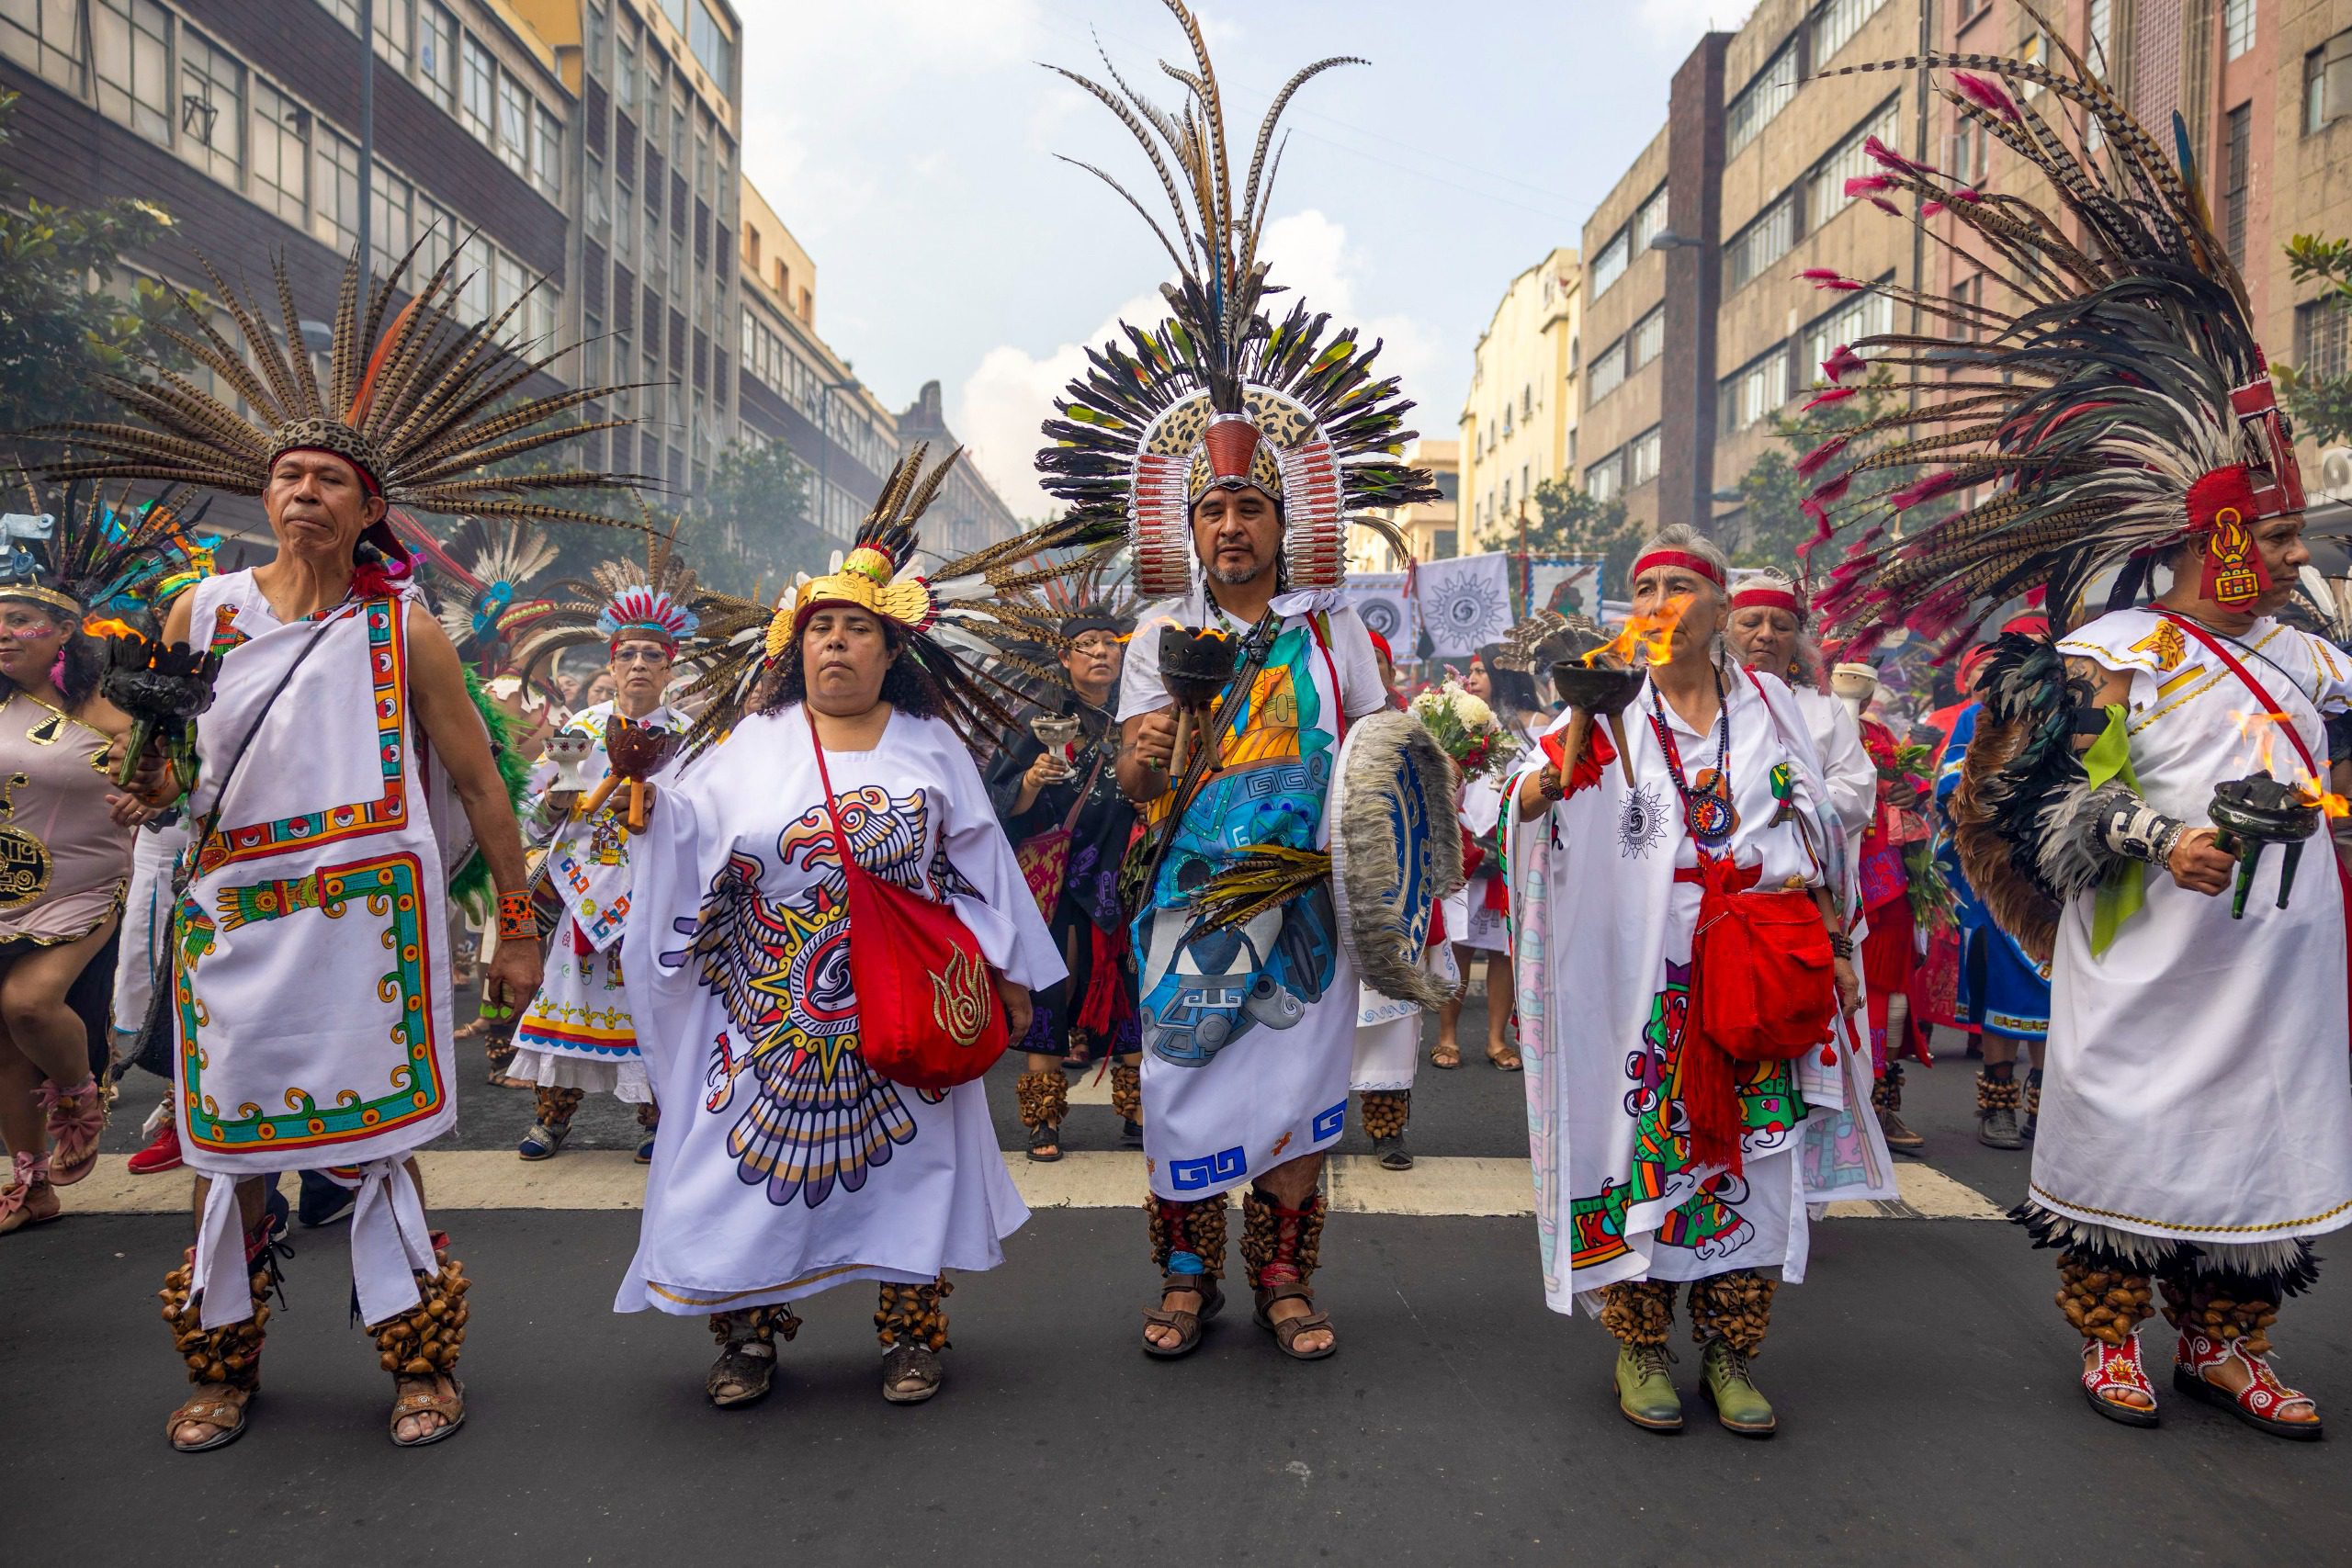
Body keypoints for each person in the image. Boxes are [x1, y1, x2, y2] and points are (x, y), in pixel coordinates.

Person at [1808, 42, 2349, 1438]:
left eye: (2293, 532)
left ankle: (2229, 1340)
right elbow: (2005, 808)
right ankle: (2113, 1337)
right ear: (2206, 534)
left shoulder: (2317, 657)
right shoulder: (2098, 660)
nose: (2292, 553)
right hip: (2151, 950)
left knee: (2260, 1159)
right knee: (2140, 1143)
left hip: (2279, 967)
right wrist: (2145, 834)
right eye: (2277, 530)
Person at [34, 243, 637, 1450]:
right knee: (233, 1156)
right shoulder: (200, 611)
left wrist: (518, 929)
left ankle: (420, 1363)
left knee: (376, 1155)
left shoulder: (404, 629)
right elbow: (167, 765)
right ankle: (225, 1363)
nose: (304, 493)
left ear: (369, 507)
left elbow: (482, 784)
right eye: (288, 475)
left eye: (328, 479)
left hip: (371, 929)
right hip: (234, 925)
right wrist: (148, 780)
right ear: (267, 495)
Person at [1042, 6, 1439, 1362]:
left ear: (1285, 518)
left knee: (1295, 1112)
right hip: (1192, 896)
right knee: (1183, 1101)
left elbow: (1388, 767)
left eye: (1249, 510)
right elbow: (1142, 778)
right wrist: (1190, 703)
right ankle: (1180, 1279)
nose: (1229, 531)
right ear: (1189, 526)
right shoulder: (1161, 630)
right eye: (1211, 513)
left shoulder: (1339, 635)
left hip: (1310, 903)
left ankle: (1285, 1277)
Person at [616, 446, 1062, 1407]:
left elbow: (982, 863)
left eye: (856, 629)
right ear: (793, 648)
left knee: (915, 1170)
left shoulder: (931, 745)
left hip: (906, 1003)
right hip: (772, 1016)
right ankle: (746, 1336)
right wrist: (647, 796)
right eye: (820, 629)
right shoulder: (746, 745)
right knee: (737, 1173)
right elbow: (686, 833)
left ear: (891, 651)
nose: (835, 645)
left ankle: (911, 1334)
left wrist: (1013, 976)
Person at [1506, 525, 1883, 1437]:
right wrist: (1537, 796)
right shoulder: (1603, 705)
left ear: (1720, 607)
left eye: (1682, 585)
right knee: (1638, 1145)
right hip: (1639, 979)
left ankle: (1730, 1348)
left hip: (1756, 965)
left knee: (1756, 1161)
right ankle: (1639, 1343)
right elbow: (1517, 794)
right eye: (1646, 589)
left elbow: (1828, 823)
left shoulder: (1781, 710)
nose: (1661, 603)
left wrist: (1816, 913)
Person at [501, 532, 711, 1163]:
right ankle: (551, 1119)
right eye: (629, 655)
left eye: (653, 654)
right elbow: (539, 819)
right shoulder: (580, 731)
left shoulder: (689, 737)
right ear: (612, 665)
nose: (640, 664)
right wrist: (564, 802)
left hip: (656, 896)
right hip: (587, 893)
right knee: (571, 1004)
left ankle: (655, 1120)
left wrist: (655, 808)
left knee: (652, 1010)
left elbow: (708, 819)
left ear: (670, 669)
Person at [0, 501, 168, 1231]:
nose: (4, 631)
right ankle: (31, 1183)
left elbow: (170, 774)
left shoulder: (104, 706)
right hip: (5, 884)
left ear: (66, 631)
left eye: (20, 618)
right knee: (2, 1042)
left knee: (27, 1006)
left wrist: (147, 795)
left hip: (82, 887)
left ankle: (79, 1093)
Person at [986, 590, 1142, 1162]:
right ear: (1064, 657)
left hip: (1118, 874)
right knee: (1049, 988)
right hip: (1050, 881)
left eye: (1110, 643)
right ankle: (1043, 1117)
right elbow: (995, 799)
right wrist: (1030, 780)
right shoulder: (1038, 720)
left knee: (1126, 983)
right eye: (1087, 645)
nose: (1101, 653)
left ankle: (1137, 1109)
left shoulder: (1136, 716)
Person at [1931, 623, 2052, 1150]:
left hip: (2054, 878)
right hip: (1996, 878)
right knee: (2005, 987)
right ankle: (1996, 1105)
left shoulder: (2069, 716)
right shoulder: (1976, 719)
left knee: (2059, 994)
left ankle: (2046, 1105)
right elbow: (1950, 787)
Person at [1432, 643, 1541, 1073]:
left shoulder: (1531, 731)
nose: (1472, 678)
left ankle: (1497, 1039)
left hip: (1507, 853)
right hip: (1462, 853)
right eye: (1470, 671)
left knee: (1503, 951)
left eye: (1481, 671)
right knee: (1456, 946)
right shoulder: (1452, 726)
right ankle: (1446, 1036)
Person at [1350, 628, 1430, 1170]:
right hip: (1328, 889)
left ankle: (1387, 1126)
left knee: (1392, 1022)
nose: (1368, 667)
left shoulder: (1417, 731)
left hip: (1397, 894)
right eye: (1359, 658)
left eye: (1376, 658)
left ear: (1391, 670)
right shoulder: (1322, 725)